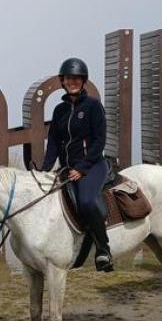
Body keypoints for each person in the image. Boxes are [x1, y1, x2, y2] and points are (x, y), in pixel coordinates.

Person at [41, 58, 113, 272]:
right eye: (68, 78)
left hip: (92, 166)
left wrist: (82, 168)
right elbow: (53, 142)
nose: (72, 82)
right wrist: (44, 169)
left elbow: (100, 140)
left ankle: (103, 250)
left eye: (77, 78)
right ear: (63, 81)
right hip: (67, 168)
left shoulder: (93, 106)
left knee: (87, 200)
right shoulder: (59, 110)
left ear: (83, 81)